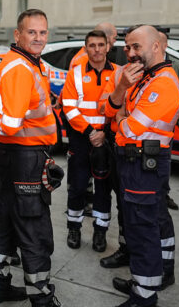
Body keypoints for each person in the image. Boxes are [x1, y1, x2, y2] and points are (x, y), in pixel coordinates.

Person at [0, 9, 59, 307]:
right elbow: (9, 124)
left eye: (43, 32)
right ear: (17, 35)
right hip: (24, 156)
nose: (39, 37)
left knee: (6, 219)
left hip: (19, 156)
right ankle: (41, 298)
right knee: (33, 226)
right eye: (32, 32)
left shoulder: (30, 63)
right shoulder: (20, 68)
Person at [104, 25, 179, 307]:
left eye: (136, 47)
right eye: (127, 47)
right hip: (132, 161)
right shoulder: (141, 78)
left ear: (156, 47)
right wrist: (122, 90)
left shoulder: (163, 82)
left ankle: (145, 297)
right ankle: (142, 281)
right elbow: (110, 111)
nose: (130, 52)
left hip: (144, 163)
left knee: (143, 228)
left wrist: (120, 116)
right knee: (137, 225)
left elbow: (129, 128)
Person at [60, 30, 116, 252]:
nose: (97, 49)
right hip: (82, 139)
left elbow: (121, 108)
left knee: (104, 188)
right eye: (91, 45)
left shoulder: (118, 73)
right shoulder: (75, 74)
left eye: (101, 45)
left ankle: (100, 233)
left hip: (107, 139)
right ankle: (74, 228)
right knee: (78, 187)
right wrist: (92, 132)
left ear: (108, 47)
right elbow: (69, 109)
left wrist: (104, 133)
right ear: (86, 48)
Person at [159, 30, 179, 211]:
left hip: (166, 126)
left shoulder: (177, 65)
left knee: (164, 161)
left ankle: (163, 194)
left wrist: (173, 117)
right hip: (143, 125)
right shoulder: (140, 63)